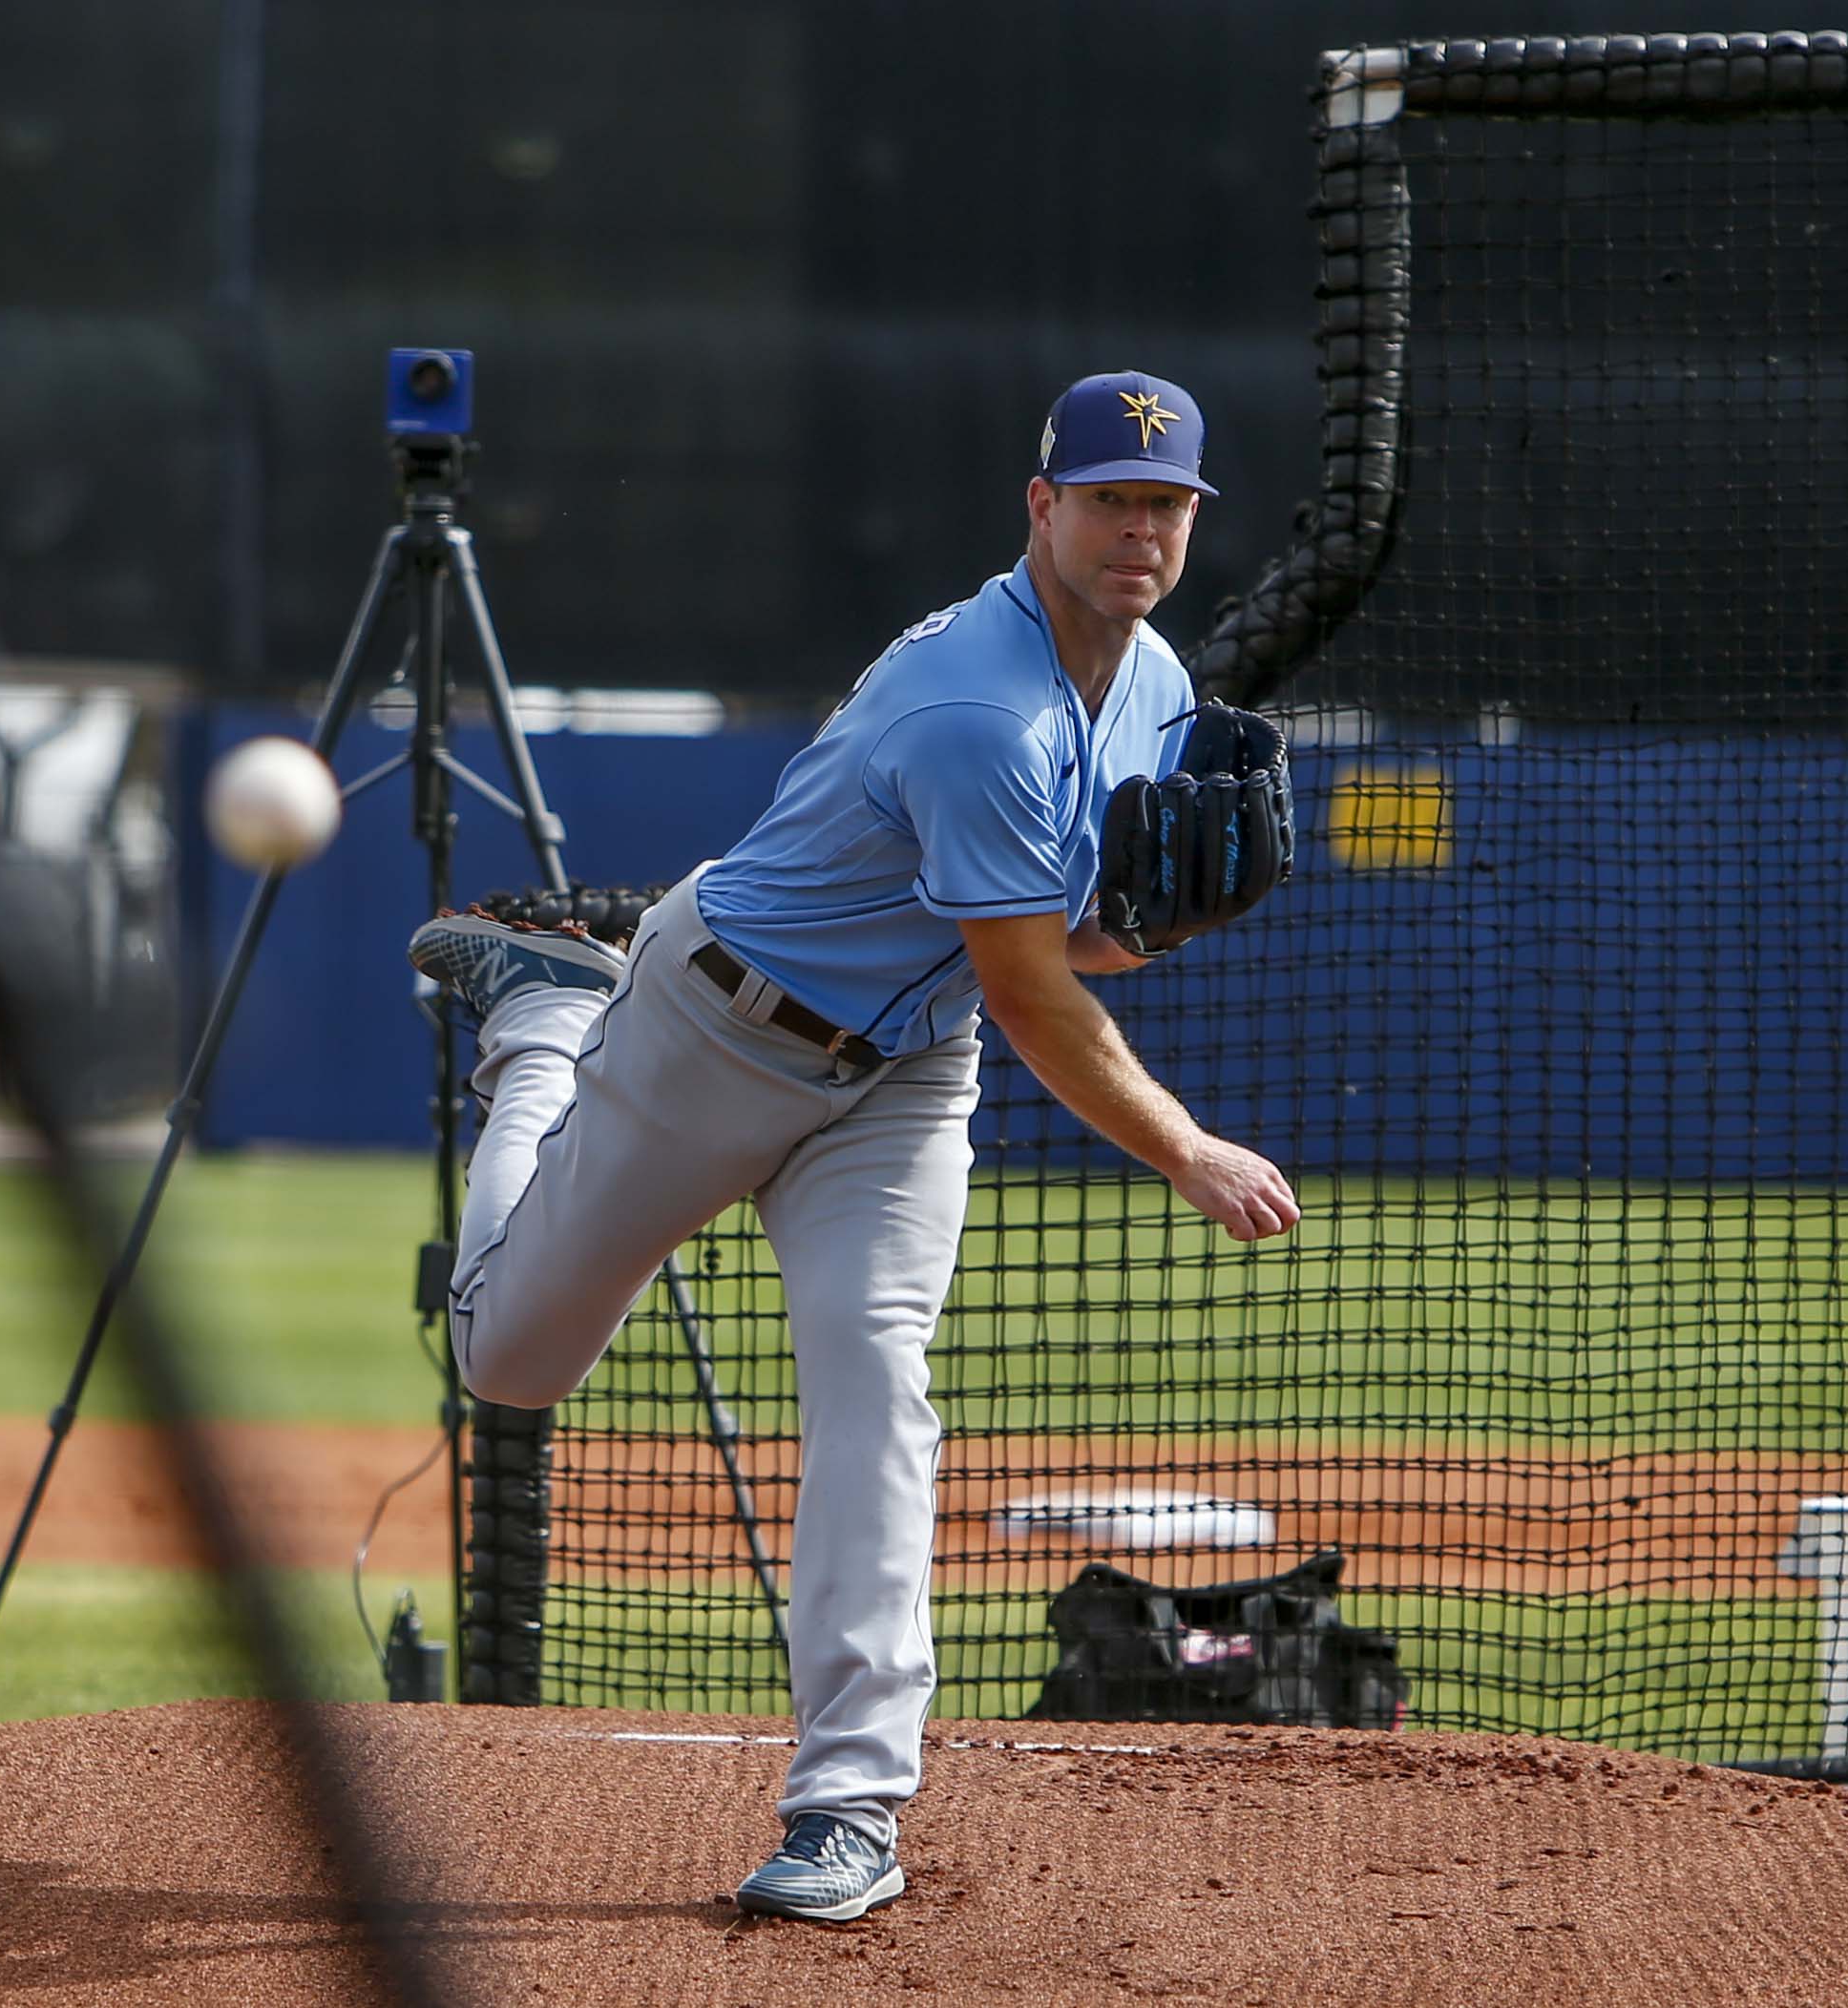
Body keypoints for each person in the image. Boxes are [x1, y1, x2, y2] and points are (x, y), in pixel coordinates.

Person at [407, 369, 1300, 1923]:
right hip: (710, 1030)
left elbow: (1063, 945)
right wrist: (1187, 1147)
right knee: (511, 1365)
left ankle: (846, 1809)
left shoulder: (1151, 684)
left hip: (899, 1076)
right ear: (1041, 506)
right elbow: (1035, 994)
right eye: (1109, 497)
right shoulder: (977, 707)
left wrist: (1147, 925)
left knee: (877, 1380)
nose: (1139, 529)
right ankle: (546, 1017)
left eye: (1166, 504)